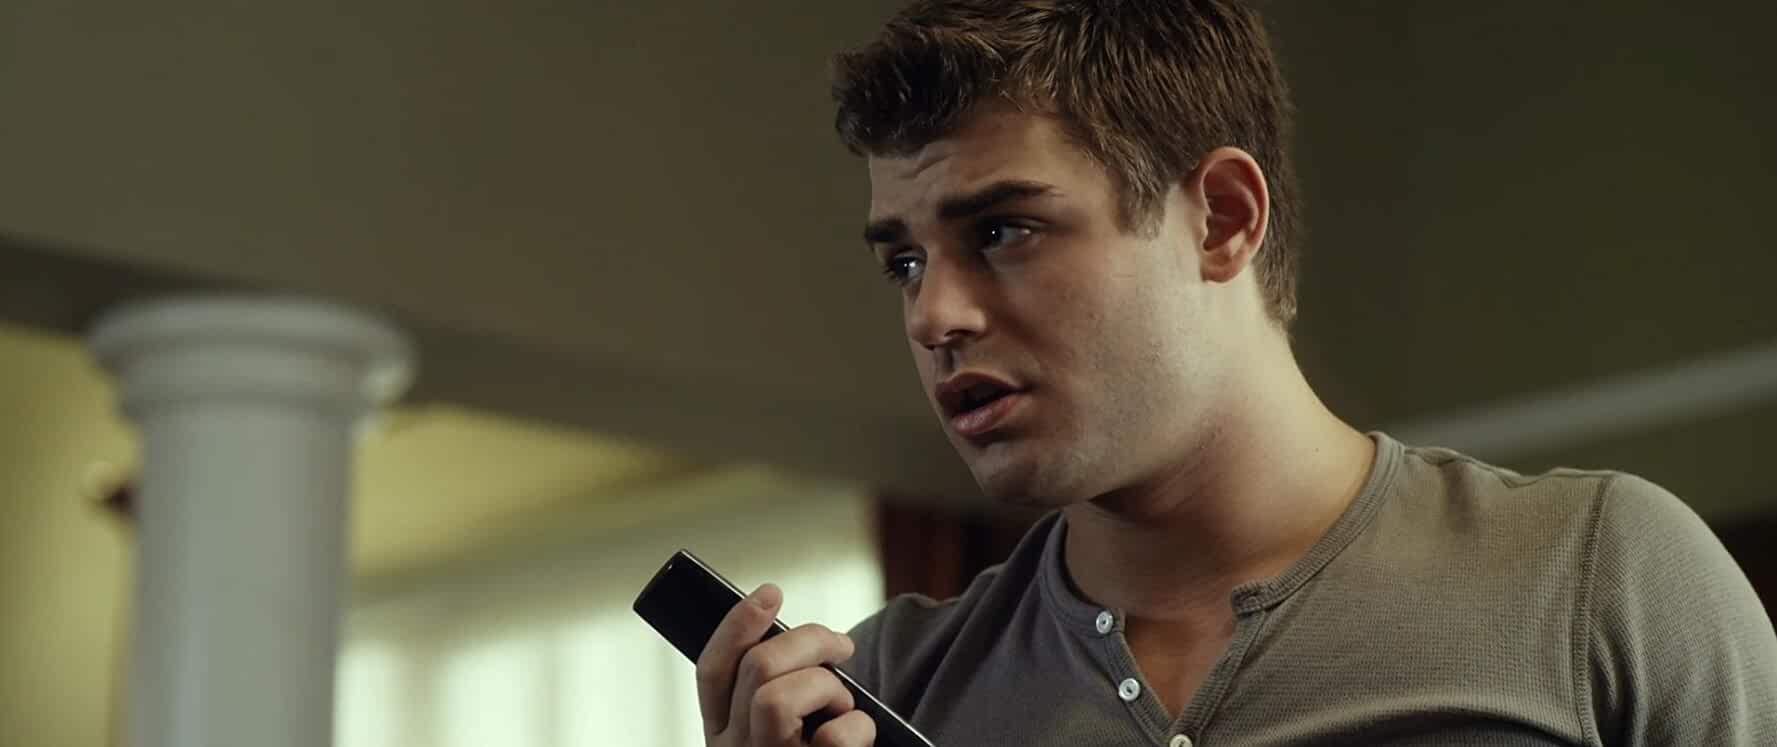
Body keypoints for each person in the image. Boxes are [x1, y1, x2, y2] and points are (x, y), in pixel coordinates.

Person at [691, 1, 1777, 745]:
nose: (934, 315)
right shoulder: (885, 691)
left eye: (1004, 230)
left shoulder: (1600, 581)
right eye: (904, 262)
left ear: (1219, 218)